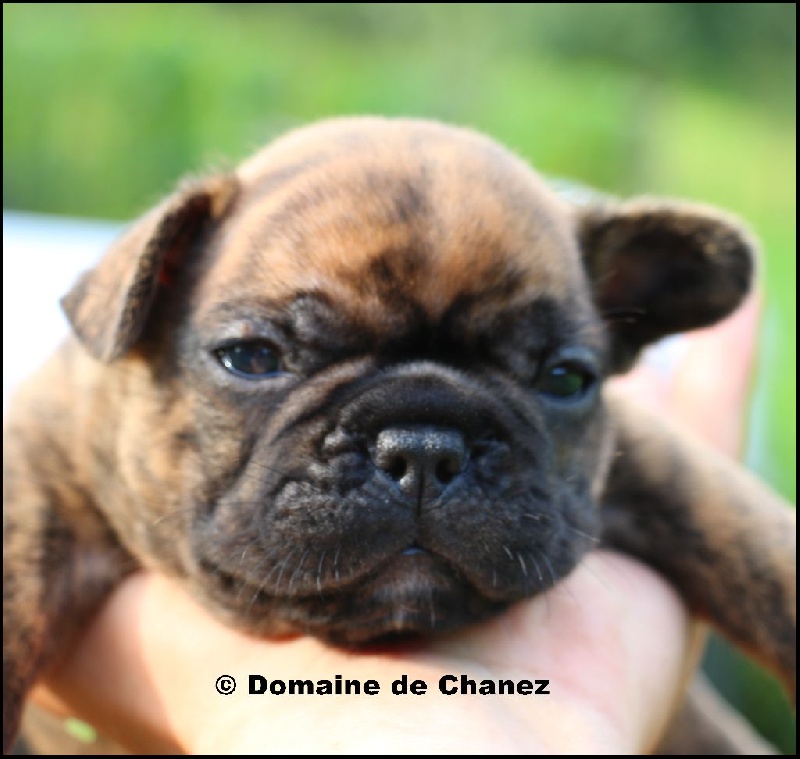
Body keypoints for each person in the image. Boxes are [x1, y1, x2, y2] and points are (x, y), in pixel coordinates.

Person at [29, 295, 761, 754]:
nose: (418, 463)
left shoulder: (627, 443)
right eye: (259, 359)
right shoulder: (67, 429)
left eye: (555, 380)